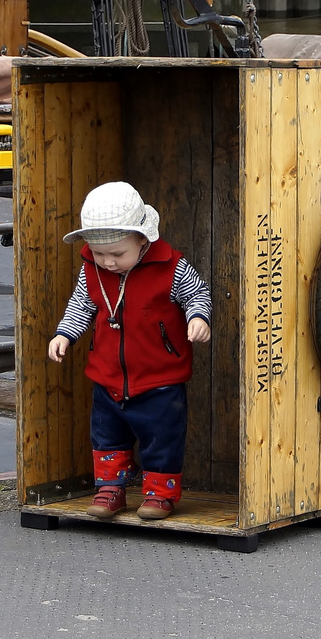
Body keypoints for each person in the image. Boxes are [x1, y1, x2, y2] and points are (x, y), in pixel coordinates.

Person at [48, 182, 213, 521]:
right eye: (98, 253)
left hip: (160, 379)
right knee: (107, 435)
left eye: (117, 254)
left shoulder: (172, 267)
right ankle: (110, 489)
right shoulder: (91, 269)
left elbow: (198, 293)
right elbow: (81, 305)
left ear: (143, 239)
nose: (108, 262)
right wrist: (65, 333)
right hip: (108, 376)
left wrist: (198, 317)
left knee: (162, 437)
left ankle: (160, 493)